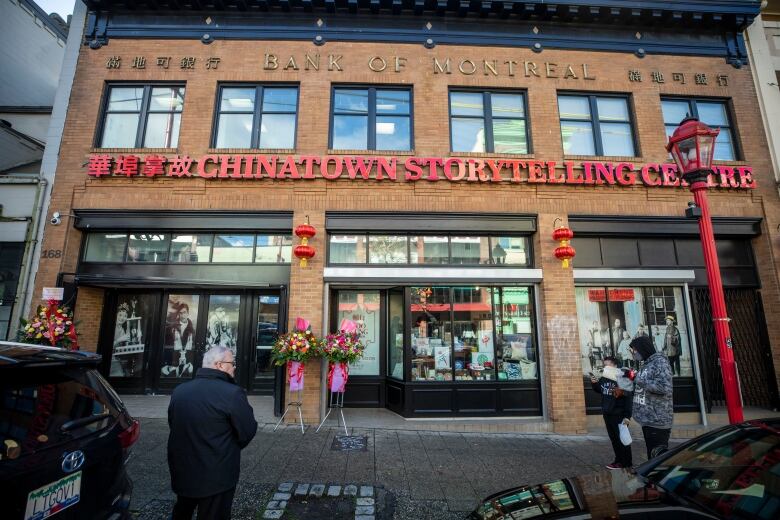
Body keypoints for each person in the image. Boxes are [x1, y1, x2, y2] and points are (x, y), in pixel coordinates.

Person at [167, 346, 257, 520]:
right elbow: (247, 430)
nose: (235, 367)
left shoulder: (180, 391)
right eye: (232, 363)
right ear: (220, 365)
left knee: (182, 511)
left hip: (183, 469)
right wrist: (229, 447)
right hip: (217, 474)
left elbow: (174, 424)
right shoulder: (232, 393)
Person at [629, 335, 673, 460]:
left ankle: (658, 478)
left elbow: (664, 388)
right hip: (648, 419)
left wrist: (638, 379)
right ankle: (652, 477)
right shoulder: (647, 364)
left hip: (657, 419)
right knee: (652, 456)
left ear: (643, 348)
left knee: (658, 458)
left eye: (635, 350)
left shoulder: (660, 363)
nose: (634, 353)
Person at [591, 356, 633, 470]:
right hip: (607, 412)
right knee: (614, 439)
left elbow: (628, 398)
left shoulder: (622, 377)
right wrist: (594, 383)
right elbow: (600, 389)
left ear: (614, 365)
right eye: (604, 365)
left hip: (619, 414)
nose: (605, 367)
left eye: (607, 365)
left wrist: (627, 416)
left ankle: (627, 463)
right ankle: (618, 460)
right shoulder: (604, 377)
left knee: (623, 439)